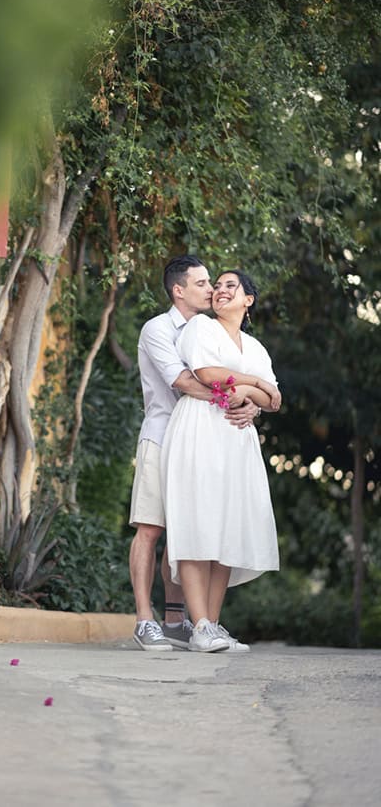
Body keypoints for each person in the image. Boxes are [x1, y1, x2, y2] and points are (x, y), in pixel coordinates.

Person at [129, 256, 260, 651]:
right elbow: (185, 381)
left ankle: (175, 621)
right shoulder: (158, 329)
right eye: (202, 283)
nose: (212, 289)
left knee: (188, 529)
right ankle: (144, 620)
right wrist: (244, 396)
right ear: (179, 290)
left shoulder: (209, 331)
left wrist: (251, 403)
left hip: (202, 444)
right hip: (162, 435)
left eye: (213, 283)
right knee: (150, 529)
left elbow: (234, 378)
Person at [160, 270, 281, 653]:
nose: (220, 290)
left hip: (237, 440)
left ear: (248, 300)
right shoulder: (201, 328)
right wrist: (254, 384)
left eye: (232, 285)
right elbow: (207, 374)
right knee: (198, 522)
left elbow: (273, 400)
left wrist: (250, 394)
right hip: (200, 430)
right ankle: (198, 625)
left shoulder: (256, 347)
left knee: (227, 527)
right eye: (218, 285)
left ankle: (211, 625)